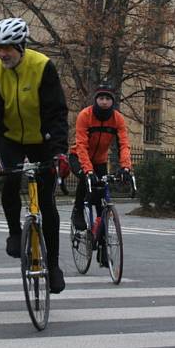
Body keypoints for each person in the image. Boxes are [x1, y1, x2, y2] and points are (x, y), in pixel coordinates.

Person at [0, 17, 70, 294]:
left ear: (20, 45)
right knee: (10, 181)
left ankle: (52, 266)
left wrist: (59, 154)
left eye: (7, 47)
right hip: (11, 139)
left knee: (47, 203)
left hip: (43, 139)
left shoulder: (42, 67)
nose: (2, 53)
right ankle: (15, 233)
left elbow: (57, 113)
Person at [68, 82, 132, 239]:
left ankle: (101, 239)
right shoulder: (85, 115)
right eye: (101, 98)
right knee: (86, 178)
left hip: (100, 160)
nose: (104, 102)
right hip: (78, 156)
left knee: (100, 197)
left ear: (113, 101)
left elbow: (124, 144)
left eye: (108, 99)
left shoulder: (118, 119)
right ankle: (77, 211)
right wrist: (88, 170)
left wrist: (126, 167)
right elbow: (81, 145)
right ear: (96, 99)